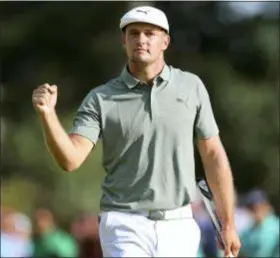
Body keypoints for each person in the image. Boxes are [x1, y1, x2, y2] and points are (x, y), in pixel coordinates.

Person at [32, 5, 241, 257]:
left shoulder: (191, 87)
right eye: (133, 33)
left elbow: (213, 155)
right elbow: (70, 159)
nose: (141, 40)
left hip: (179, 223)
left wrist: (227, 223)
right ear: (124, 40)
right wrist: (48, 115)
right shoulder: (101, 98)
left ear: (165, 41)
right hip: (123, 221)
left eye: (149, 34)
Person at [239, 189, 279, 257]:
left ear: (267, 206)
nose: (256, 210)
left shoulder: (277, 225)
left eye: (259, 207)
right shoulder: (246, 232)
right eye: (252, 208)